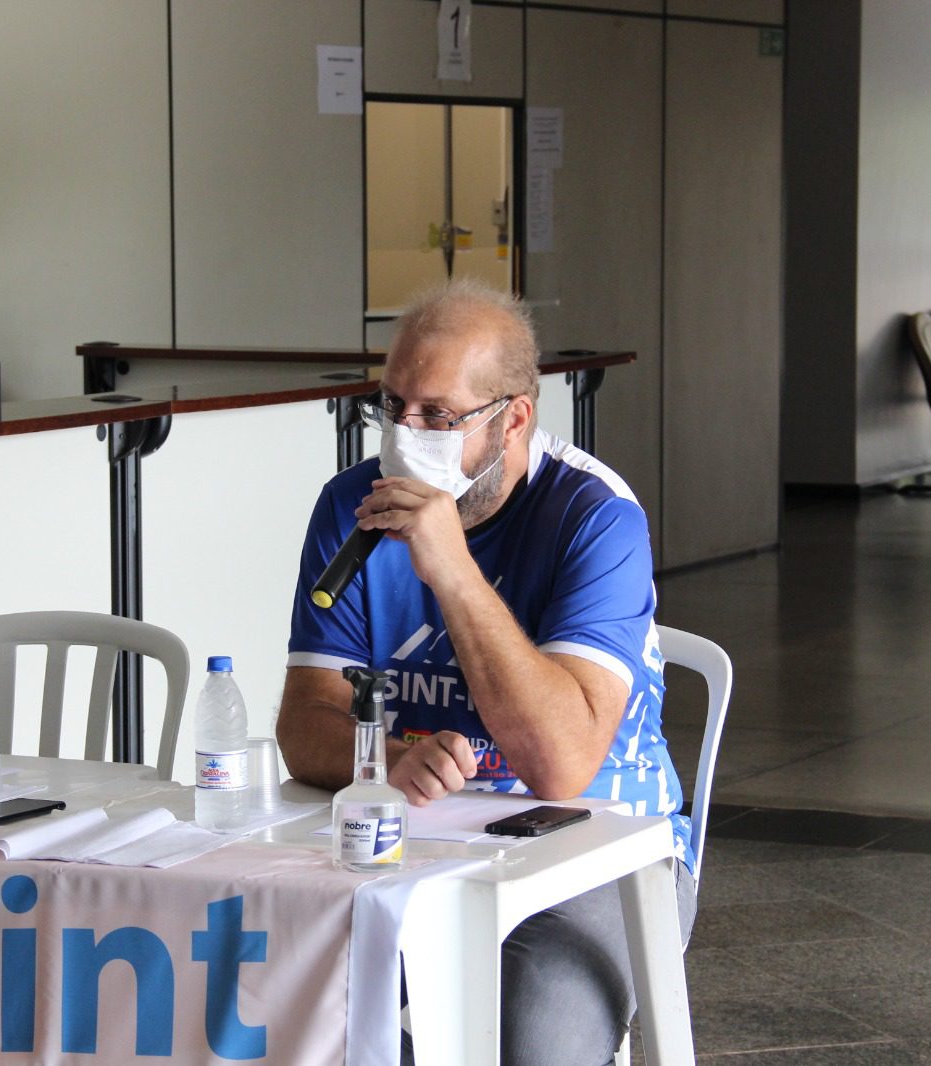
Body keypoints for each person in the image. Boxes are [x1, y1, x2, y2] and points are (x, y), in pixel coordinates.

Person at [277, 279, 696, 1065]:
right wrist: (389, 761)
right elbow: (304, 726)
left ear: (514, 419)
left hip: (596, 847)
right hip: (416, 840)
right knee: (283, 997)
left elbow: (561, 766)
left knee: (528, 1037)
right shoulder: (352, 507)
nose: (406, 436)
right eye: (392, 406)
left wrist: (453, 572)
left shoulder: (597, 518)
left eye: (438, 416)